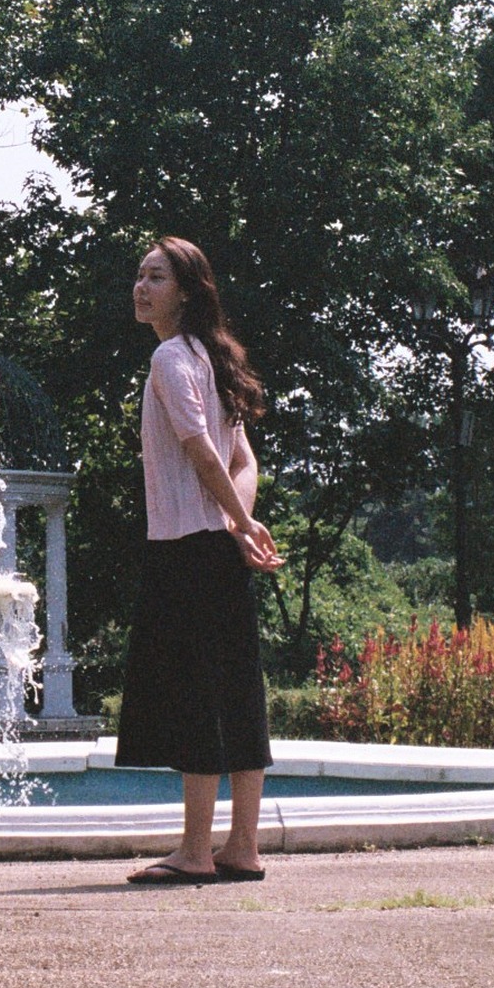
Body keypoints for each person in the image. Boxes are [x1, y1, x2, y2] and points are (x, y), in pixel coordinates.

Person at [117, 237, 284, 885]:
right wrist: (239, 527)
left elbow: (206, 453)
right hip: (217, 548)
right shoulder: (212, 359)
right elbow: (243, 462)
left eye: (156, 277)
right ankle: (242, 847)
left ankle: (194, 852)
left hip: (185, 550)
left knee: (196, 696)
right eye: (140, 275)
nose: (142, 287)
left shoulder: (170, 357)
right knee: (237, 693)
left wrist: (238, 523)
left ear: (186, 291)